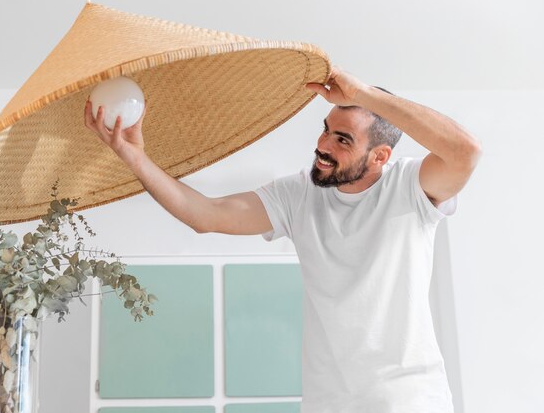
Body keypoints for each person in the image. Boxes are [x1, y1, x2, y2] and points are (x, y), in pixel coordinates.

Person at [84, 66, 482, 413]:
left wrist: (363, 94)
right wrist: (133, 156)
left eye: (343, 140)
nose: (323, 147)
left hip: (406, 402)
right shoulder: (298, 196)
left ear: (379, 157)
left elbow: (466, 152)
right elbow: (205, 215)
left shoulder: (409, 187)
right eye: (327, 131)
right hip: (327, 404)